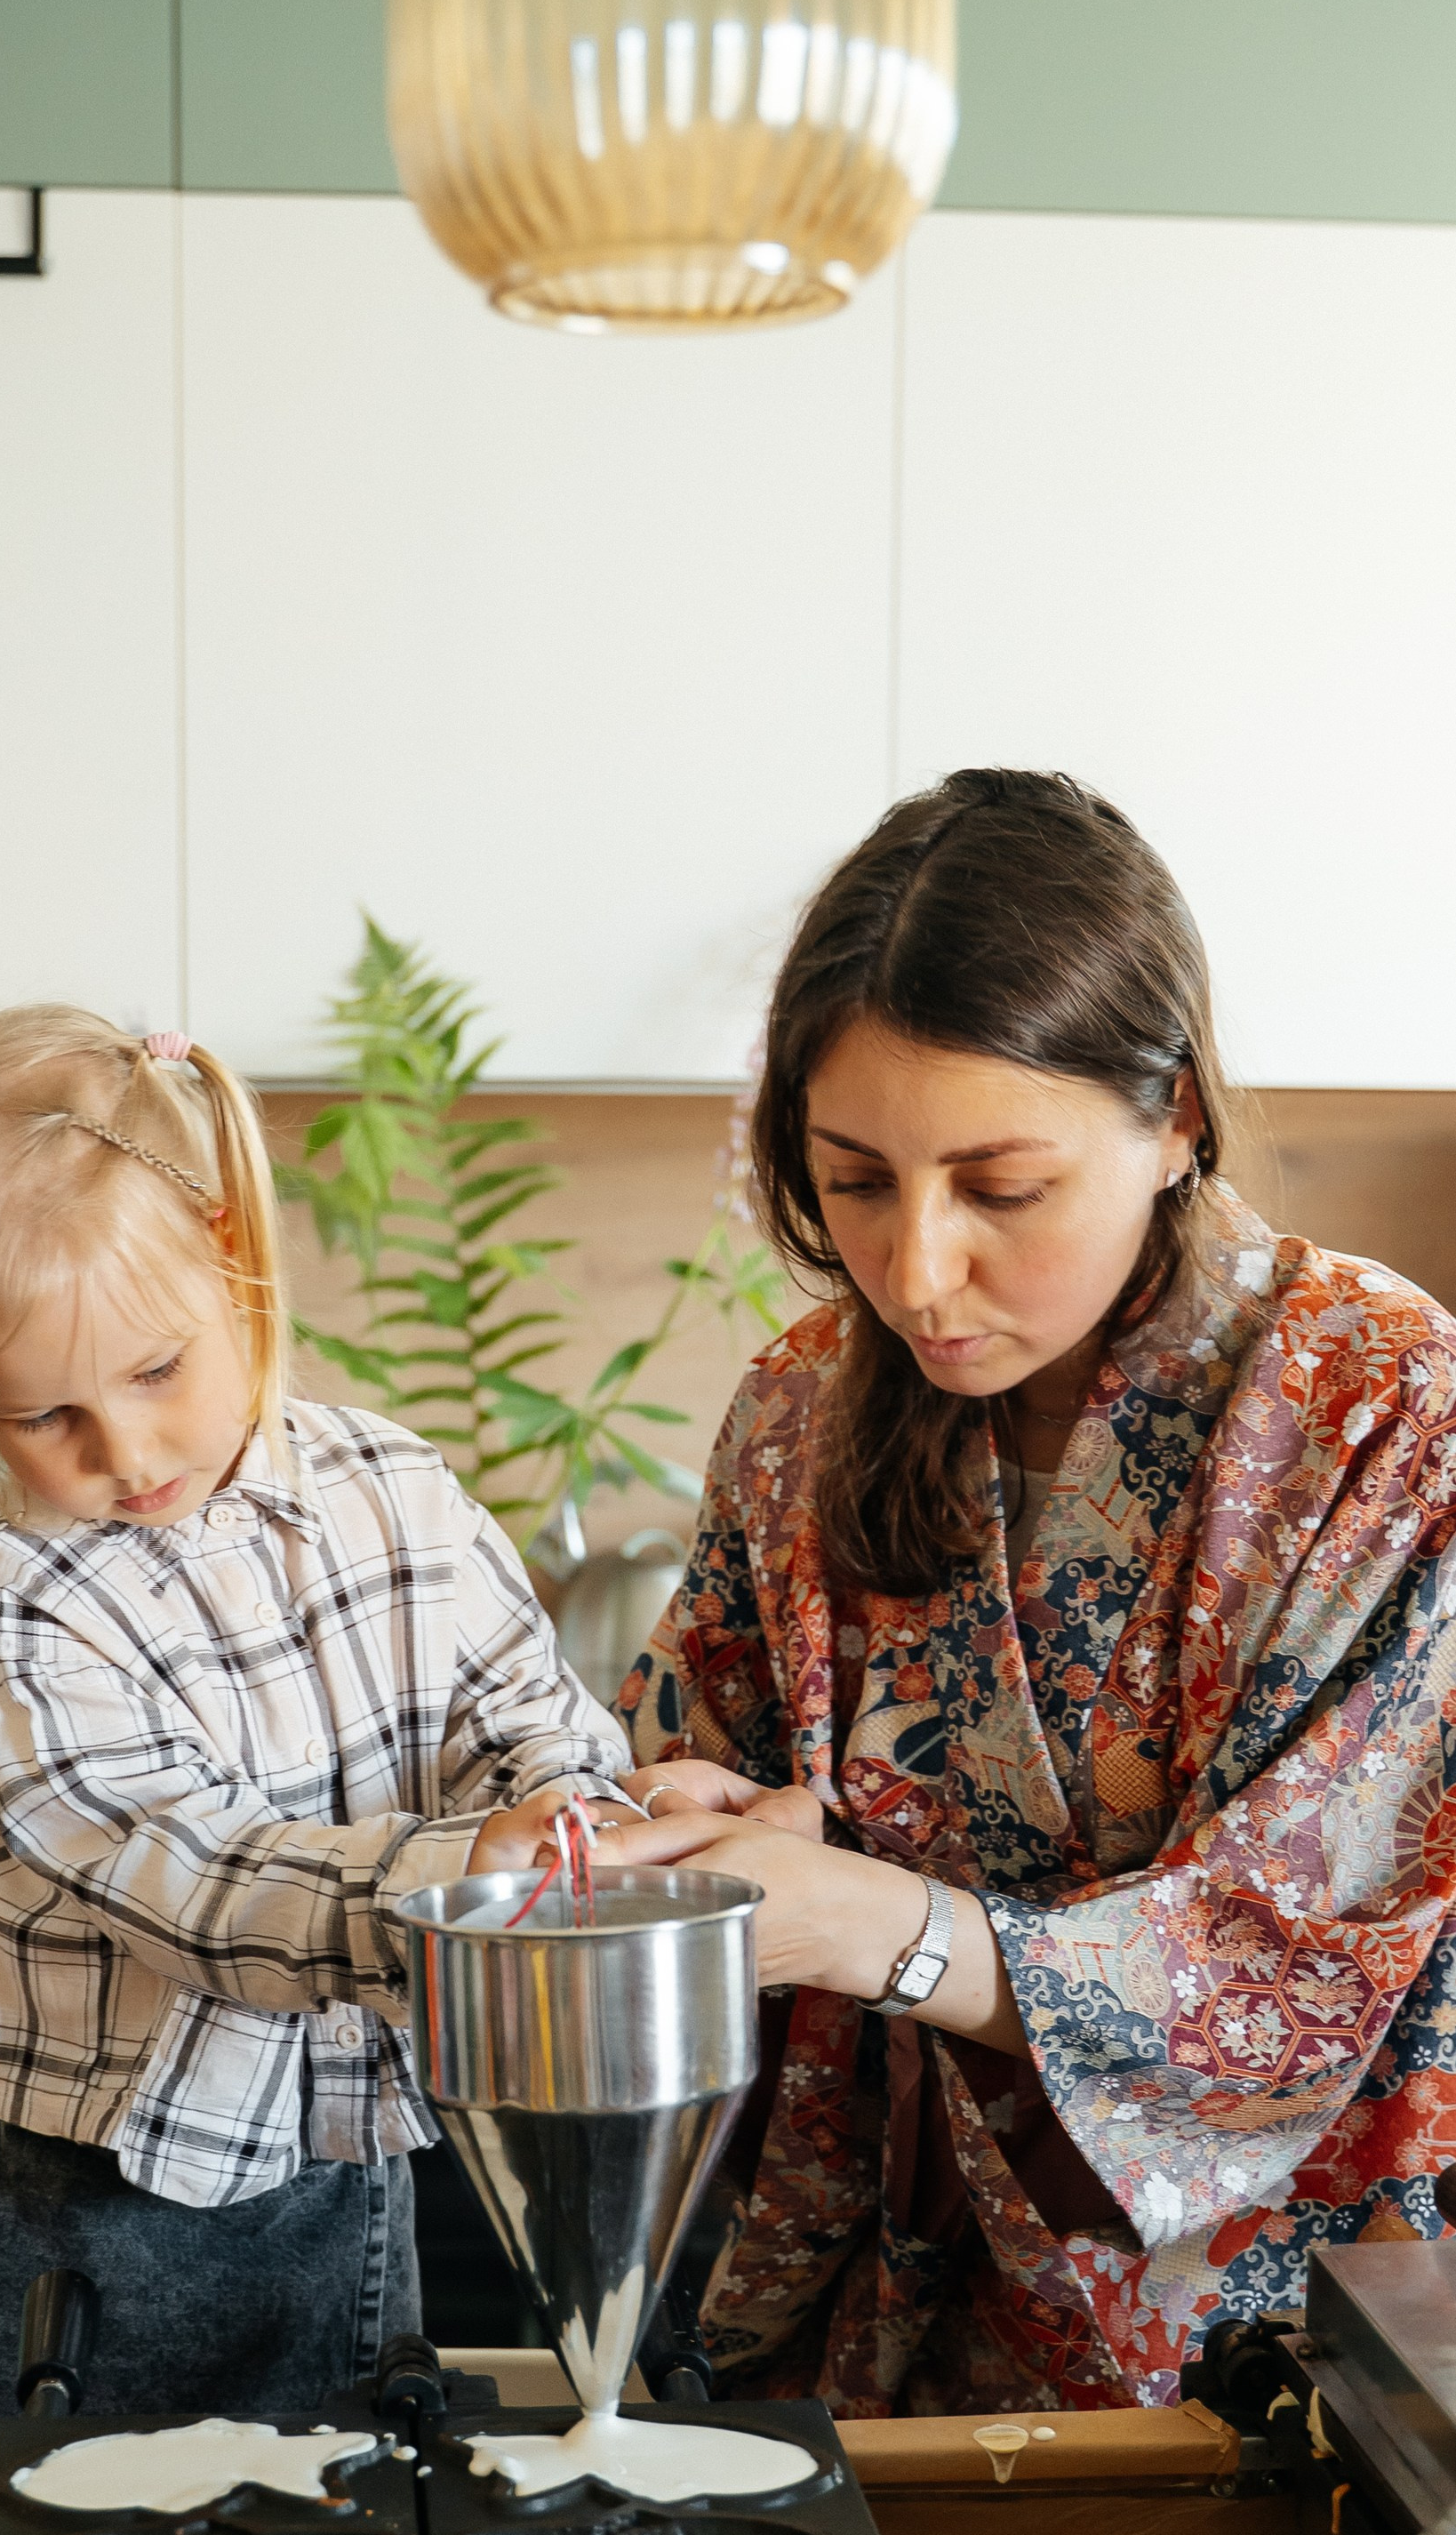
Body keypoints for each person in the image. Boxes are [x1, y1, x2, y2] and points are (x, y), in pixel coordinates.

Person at [603, 767, 1456, 2413]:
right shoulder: (799, 1409)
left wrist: (884, 1925)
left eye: (1001, 1191)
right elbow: (683, 1750)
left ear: (1175, 1120)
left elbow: (1287, 1969)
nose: (915, 1271)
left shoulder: (1383, 1411)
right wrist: (692, 1824)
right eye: (853, 1180)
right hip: (863, 2303)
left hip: (1263, 2338)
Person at [0, 1005, 630, 2422]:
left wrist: (566, 1805)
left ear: (233, 1254)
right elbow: (185, 1881)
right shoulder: (27, 1598)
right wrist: (443, 1878)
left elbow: (521, 1709)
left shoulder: (394, 1485)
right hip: (109, 2202)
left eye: (155, 1372)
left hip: (348, 2159)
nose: (123, 1453)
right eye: (41, 1418)